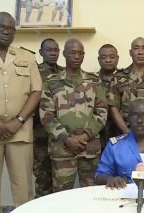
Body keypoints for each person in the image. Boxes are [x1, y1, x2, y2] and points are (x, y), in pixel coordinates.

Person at [0, 12, 42, 213]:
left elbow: (36, 91)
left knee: (23, 189)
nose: (6, 32)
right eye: (1, 27)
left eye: (11, 29)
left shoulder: (27, 57)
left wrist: (19, 120)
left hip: (20, 132)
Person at [40, 38, 108, 192]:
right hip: (62, 150)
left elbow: (102, 112)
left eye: (80, 53)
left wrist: (85, 136)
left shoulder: (94, 82)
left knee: (92, 195)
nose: (77, 57)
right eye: (72, 53)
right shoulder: (51, 83)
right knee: (61, 197)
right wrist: (67, 139)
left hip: (89, 150)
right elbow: (46, 115)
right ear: (64, 54)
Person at [33, 38, 62, 198]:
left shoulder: (65, 72)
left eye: (56, 50)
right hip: (41, 136)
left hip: (61, 137)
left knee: (60, 181)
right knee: (43, 180)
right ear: (41, 52)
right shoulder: (34, 72)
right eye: (49, 50)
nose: (53, 53)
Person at [97, 44, 120, 149]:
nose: (108, 60)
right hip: (98, 132)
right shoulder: (91, 80)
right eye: (103, 57)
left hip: (120, 130)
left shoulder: (126, 78)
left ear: (117, 58)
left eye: (111, 57)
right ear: (98, 60)